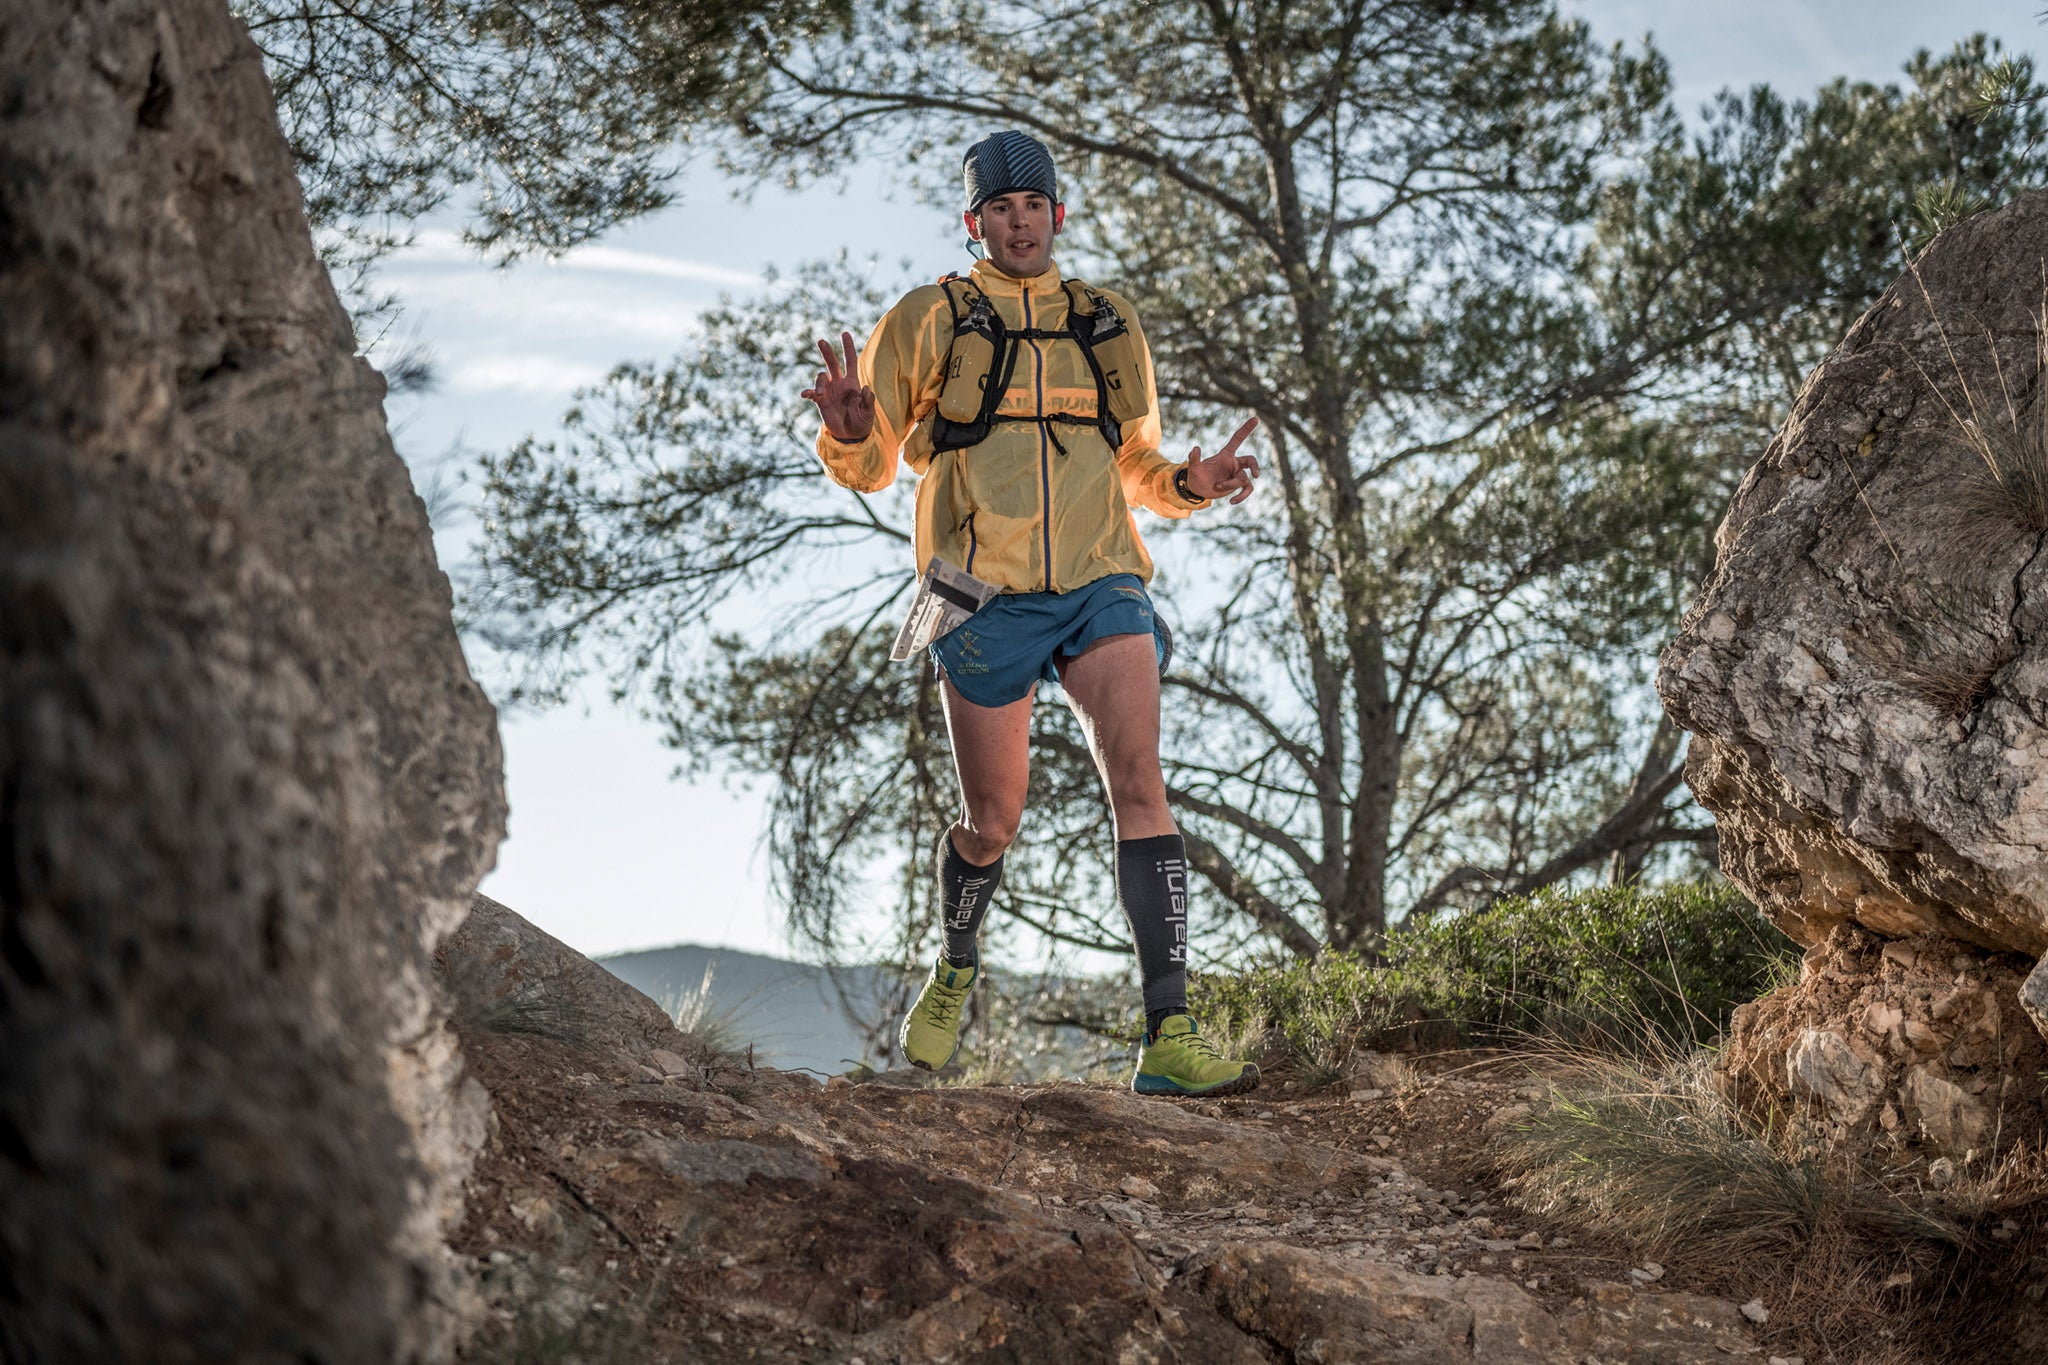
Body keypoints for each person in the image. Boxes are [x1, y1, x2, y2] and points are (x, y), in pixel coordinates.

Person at [800, 129, 1263, 1097]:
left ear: (1059, 214)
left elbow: (1135, 464)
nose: (1020, 224)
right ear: (973, 223)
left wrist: (1191, 481)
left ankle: (1167, 1033)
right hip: (975, 590)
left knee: (1139, 779)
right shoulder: (927, 319)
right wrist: (845, 431)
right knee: (992, 820)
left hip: (1101, 578)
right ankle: (957, 960)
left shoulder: (1105, 324)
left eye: (1034, 207)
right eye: (1000, 211)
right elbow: (878, 461)